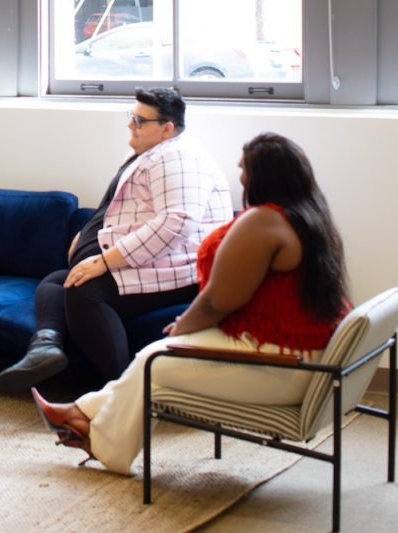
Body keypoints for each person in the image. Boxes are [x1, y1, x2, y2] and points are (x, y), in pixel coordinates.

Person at [30, 132, 350, 475]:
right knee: (154, 359)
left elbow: (217, 300)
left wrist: (182, 328)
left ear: (263, 175)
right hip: (298, 351)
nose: (239, 175)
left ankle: (101, 440)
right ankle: (81, 415)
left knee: (156, 360)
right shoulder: (311, 218)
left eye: (244, 168)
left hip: (282, 362)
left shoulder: (264, 221)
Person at [0, 87, 233, 393]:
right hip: (153, 262)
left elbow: (177, 223)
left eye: (139, 120)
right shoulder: (149, 153)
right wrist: (86, 236)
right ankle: (45, 346)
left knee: (84, 292)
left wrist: (105, 260)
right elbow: (124, 209)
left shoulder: (178, 158)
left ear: (167, 128)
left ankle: (123, 392)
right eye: (131, 117)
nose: (130, 125)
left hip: (177, 269)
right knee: (56, 282)